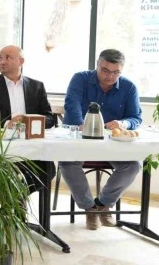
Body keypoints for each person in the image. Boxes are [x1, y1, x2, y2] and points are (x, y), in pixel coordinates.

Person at [59, 49, 142, 230]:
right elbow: (72, 104)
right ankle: (89, 208)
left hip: (112, 145)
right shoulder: (80, 79)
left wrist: (123, 123)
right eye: (105, 70)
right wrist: (81, 124)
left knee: (133, 165)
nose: (110, 76)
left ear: (121, 70)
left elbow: (136, 118)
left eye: (116, 72)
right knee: (67, 162)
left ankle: (103, 204)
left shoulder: (129, 87)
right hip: (79, 140)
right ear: (97, 65)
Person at [0, 45, 56, 196]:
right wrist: (8, 123)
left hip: (30, 146)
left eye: (8, 58)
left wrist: (31, 122)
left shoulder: (37, 86)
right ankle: (15, 201)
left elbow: (50, 118)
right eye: (0, 58)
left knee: (48, 169)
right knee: (3, 170)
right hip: (0, 147)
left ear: (21, 61)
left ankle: (16, 196)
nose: (2, 62)